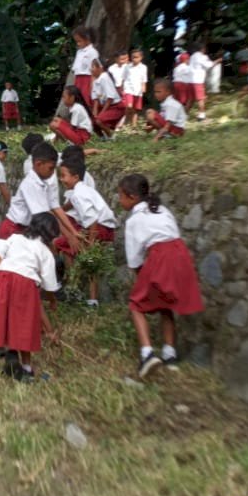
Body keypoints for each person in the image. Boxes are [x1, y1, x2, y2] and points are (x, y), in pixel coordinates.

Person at [119, 173, 204, 379]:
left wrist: (142, 279)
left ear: (131, 197)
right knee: (166, 304)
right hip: (180, 254)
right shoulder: (162, 210)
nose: (119, 200)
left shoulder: (134, 220)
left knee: (136, 305)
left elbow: (134, 260)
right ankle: (170, 354)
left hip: (160, 257)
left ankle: (147, 354)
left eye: (120, 195)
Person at [0, 213, 62, 382]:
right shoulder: (45, 253)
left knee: (4, 318)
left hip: (3, 276)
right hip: (25, 282)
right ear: (51, 234)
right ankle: (26, 369)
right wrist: (52, 300)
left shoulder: (15, 238)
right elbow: (49, 286)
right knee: (24, 323)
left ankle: (10, 355)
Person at [0, 140, 83, 254]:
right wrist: (68, 236)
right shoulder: (31, 184)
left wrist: (73, 232)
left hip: (25, 230)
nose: (53, 173)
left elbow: (56, 207)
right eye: (51, 168)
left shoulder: (44, 181)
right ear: (38, 164)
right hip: (13, 229)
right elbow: (46, 216)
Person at [56, 156, 117, 306]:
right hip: (105, 228)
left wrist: (89, 244)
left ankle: (73, 291)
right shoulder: (83, 189)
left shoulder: (78, 194)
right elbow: (70, 207)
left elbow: (92, 219)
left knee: (64, 244)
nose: (61, 179)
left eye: (64, 175)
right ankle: (91, 299)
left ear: (75, 177)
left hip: (98, 229)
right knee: (88, 262)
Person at [90, 57, 125, 137]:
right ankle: (102, 137)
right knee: (91, 120)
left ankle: (111, 136)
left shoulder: (104, 77)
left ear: (100, 68)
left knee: (99, 120)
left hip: (116, 107)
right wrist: (95, 112)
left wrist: (102, 112)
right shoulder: (96, 79)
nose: (91, 69)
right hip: (106, 106)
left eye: (93, 67)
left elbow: (110, 98)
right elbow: (95, 98)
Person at [188, 44, 221, 121]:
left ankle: (184, 114)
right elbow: (210, 65)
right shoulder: (202, 57)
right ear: (203, 49)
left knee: (191, 99)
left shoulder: (192, 56)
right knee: (201, 99)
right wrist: (218, 60)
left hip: (190, 80)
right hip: (198, 80)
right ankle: (202, 116)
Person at [68, 25, 99, 107]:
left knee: (85, 99)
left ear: (87, 39)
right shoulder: (79, 52)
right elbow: (76, 68)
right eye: (76, 42)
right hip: (78, 79)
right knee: (77, 99)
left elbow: (94, 69)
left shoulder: (92, 52)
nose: (78, 44)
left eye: (79, 41)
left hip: (87, 79)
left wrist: (92, 85)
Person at [120, 48, 148, 131]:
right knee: (129, 106)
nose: (134, 59)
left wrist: (143, 87)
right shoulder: (127, 67)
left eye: (136, 57)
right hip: (128, 90)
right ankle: (123, 121)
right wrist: (122, 89)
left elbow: (144, 79)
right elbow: (123, 78)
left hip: (138, 91)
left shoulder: (143, 67)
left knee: (135, 109)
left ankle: (134, 126)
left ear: (141, 57)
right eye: (133, 57)